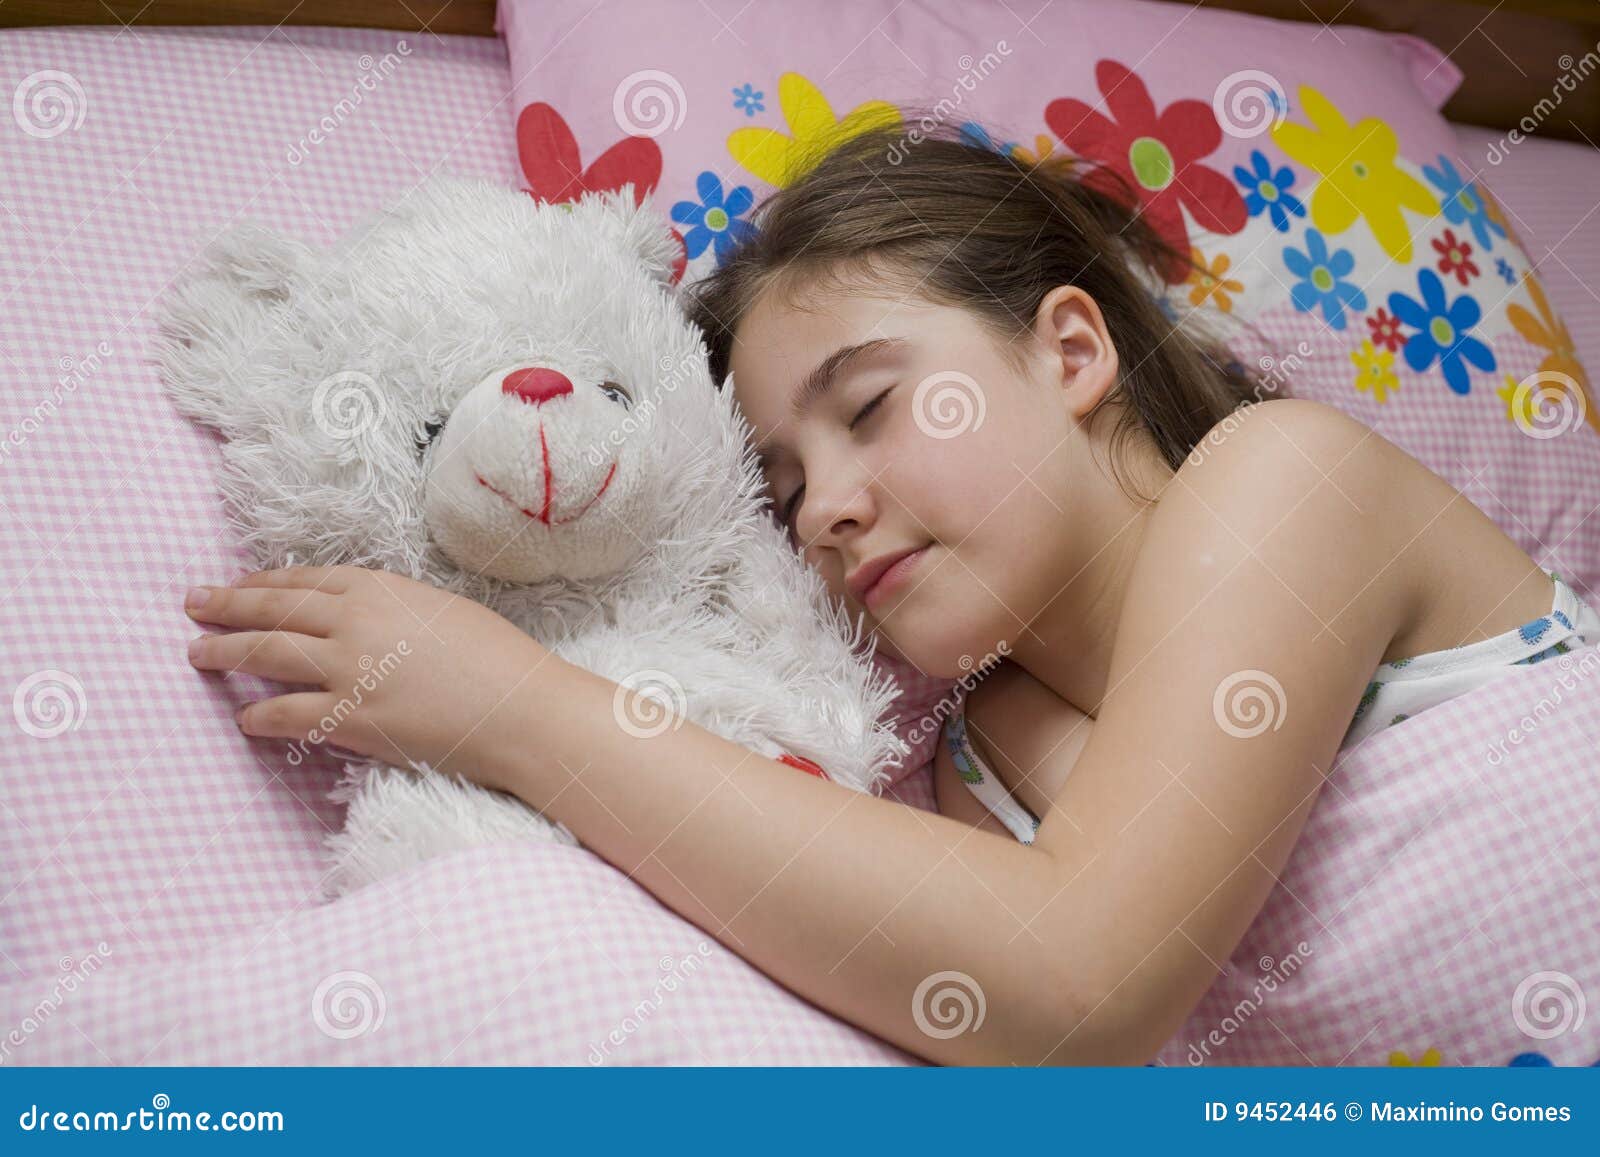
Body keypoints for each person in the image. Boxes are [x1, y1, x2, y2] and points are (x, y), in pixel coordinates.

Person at [181, 121, 1599, 1065]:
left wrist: (512, 704)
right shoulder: (983, 764)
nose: (831, 511)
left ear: (1070, 350)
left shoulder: (1282, 481)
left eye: (869, 407)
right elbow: (991, 1007)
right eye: (784, 490)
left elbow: (1082, 982)